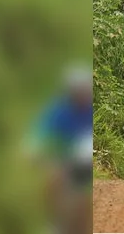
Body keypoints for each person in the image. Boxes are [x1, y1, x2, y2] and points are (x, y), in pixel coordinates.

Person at [26, 65, 93, 234]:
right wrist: (32, 147)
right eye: (77, 91)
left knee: (84, 197)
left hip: (86, 158)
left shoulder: (90, 109)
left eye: (83, 91)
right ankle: (53, 223)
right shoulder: (60, 109)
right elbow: (41, 129)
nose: (81, 95)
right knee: (52, 179)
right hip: (65, 156)